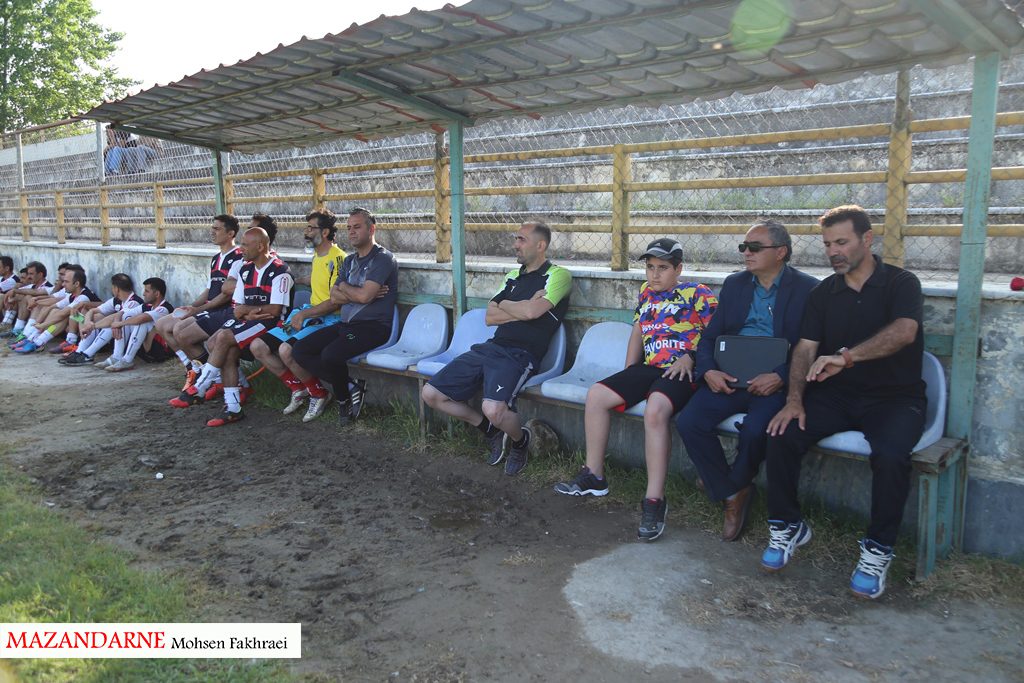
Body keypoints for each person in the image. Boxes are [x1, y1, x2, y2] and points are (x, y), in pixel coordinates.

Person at [762, 205, 926, 599]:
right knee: (782, 431)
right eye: (827, 244)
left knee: (891, 456)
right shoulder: (823, 293)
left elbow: (904, 332)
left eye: (841, 242)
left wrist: (847, 357)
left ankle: (878, 549)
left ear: (867, 239)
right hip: (836, 395)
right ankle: (788, 525)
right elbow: (805, 349)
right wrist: (795, 399)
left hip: (894, 398)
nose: (833, 251)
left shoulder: (901, 283)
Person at [554, 238, 716, 541]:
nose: (654, 274)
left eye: (663, 268)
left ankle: (654, 500)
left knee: (655, 409)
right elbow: (639, 331)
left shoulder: (698, 293)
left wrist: (692, 357)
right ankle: (594, 475)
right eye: (650, 267)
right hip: (649, 367)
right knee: (597, 395)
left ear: (679, 268)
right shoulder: (645, 293)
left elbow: (717, 334)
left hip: (681, 368)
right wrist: (629, 371)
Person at [675, 220, 818, 541]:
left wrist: (781, 376)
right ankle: (732, 490)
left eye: (754, 248)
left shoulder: (808, 289)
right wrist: (708, 370)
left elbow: (813, 347)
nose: (746, 253)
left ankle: (727, 487)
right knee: (690, 421)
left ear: (781, 252)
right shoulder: (735, 285)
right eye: (744, 247)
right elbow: (710, 337)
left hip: (774, 380)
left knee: (758, 430)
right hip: (730, 373)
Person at [422, 220, 571, 476]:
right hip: (491, 347)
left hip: (520, 355)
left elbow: (533, 312)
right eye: (516, 239)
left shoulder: (558, 275)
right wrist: (524, 307)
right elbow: (490, 317)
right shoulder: (512, 276)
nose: (515, 245)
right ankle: (489, 430)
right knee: (431, 394)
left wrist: (511, 306)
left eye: (521, 239)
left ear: (540, 245)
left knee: (493, 409)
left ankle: (520, 441)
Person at [172, 227, 292, 426]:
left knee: (224, 338)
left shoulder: (280, 270)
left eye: (245, 244)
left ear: (260, 246)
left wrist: (247, 310)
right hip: (249, 319)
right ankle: (233, 407)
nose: (241, 248)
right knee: (216, 344)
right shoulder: (245, 270)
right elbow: (237, 308)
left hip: (271, 323)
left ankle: (201, 386)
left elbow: (274, 310)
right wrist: (247, 310)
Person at [290, 207, 398, 425]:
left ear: (371, 229)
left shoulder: (382, 259)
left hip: (373, 327)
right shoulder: (349, 261)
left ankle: (343, 401)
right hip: (347, 324)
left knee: (330, 355)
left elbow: (364, 296)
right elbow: (335, 295)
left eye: (357, 227)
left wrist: (349, 291)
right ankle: (351, 385)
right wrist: (357, 293)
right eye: (349, 228)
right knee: (300, 350)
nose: (351, 232)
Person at [249, 209, 347, 420]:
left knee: (286, 350)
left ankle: (319, 393)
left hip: (328, 320)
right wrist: (295, 279)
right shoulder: (318, 255)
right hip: (310, 314)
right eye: (307, 227)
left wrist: (303, 315)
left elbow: (335, 301)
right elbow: (318, 279)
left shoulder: (338, 258)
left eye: (311, 228)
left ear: (325, 232)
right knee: (258, 346)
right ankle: (298, 388)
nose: (306, 232)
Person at [156, 214, 244, 391]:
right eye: (212, 228)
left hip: (222, 309)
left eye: (217, 229)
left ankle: (211, 376)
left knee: (179, 330)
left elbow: (226, 295)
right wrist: (192, 306)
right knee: (161, 324)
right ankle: (192, 367)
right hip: (208, 307)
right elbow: (209, 289)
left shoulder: (238, 257)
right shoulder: (216, 258)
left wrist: (198, 310)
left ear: (231, 234)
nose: (212, 232)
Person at [11, 266, 100, 353]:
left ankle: (41, 342)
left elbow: (63, 313)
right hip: (81, 325)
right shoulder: (72, 295)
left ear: (76, 284)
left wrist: (43, 325)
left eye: (66, 282)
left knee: (66, 315)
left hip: (93, 328)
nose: (63, 284)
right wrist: (38, 325)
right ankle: (33, 339)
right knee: (55, 311)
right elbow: (53, 306)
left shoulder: (83, 296)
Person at [60, 274, 143, 366]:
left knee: (111, 323)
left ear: (116, 288)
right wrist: (88, 322)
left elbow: (115, 317)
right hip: (108, 335)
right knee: (88, 315)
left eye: (112, 287)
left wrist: (91, 326)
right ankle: (80, 351)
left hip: (131, 338)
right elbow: (92, 311)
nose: (63, 284)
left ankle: (84, 352)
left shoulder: (134, 302)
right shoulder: (116, 300)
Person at [100, 277, 175, 372]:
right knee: (126, 317)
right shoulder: (147, 306)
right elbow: (125, 313)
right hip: (147, 348)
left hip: (161, 351)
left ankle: (127, 360)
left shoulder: (164, 308)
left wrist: (120, 323)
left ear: (157, 294)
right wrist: (118, 318)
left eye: (147, 291)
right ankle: (117, 356)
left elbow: (142, 318)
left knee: (141, 322)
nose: (143, 294)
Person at [1, 262, 54, 340]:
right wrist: (12, 298)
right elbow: (17, 292)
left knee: (26, 296)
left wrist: (15, 291)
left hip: (41, 316)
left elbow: (35, 292)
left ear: (40, 274)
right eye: (28, 274)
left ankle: (22, 331)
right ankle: (9, 325)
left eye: (31, 274)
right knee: (19, 295)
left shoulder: (49, 287)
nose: (28, 277)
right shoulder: (32, 286)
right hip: (30, 312)